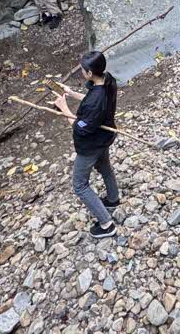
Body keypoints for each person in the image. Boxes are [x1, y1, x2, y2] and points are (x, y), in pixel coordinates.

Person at [52, 51, 121, 239]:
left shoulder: (94, 103)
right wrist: (71, 93)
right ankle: (113, 199)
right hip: (105, 137)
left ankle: (107, 224)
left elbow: (80, 128)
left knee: (80, 185)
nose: (82, 72)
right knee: (105, 166)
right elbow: (93, 99)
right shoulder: (108, 80)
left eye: (83, 70)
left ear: (90, 73)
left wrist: (63, 108)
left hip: (90, 145)